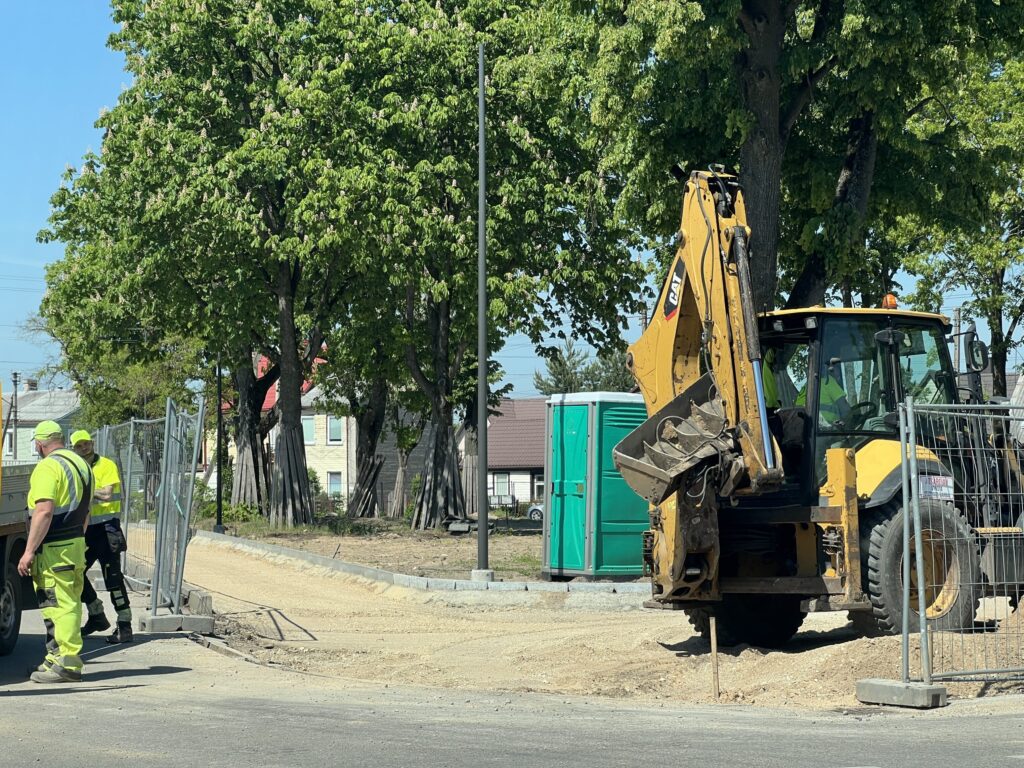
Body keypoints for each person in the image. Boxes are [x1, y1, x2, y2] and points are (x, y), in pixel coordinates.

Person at [17, 420, 93, 683]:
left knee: (59, 604)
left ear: (39, 444)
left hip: (54, 548)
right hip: (74, 544)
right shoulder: (82, 464)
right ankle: (54, 658)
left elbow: (44, 511)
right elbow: (86, 511)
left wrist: (29, 551)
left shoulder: (48, 467)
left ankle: (67, 664)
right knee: (65, 601)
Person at [72, 430, 133, 644]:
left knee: (113, 579)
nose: (84, 447)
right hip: (86, 531)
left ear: (92, 443)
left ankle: (124, 625)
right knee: (74, 573)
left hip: (108, 530)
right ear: (74, 449)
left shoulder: (106, 465)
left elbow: (107, 494)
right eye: (79, 445)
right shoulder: (74, 468)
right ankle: (96, 613)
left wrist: (84, 489)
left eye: (86, 443)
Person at [796, 359, 852, 426]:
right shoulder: (828, 382)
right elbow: (846, 410)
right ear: (827, 369)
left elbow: (797, 412)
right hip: (830, 430)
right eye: (835, 368)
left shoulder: (807, 386)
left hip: (810, 429)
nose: (838, 374)